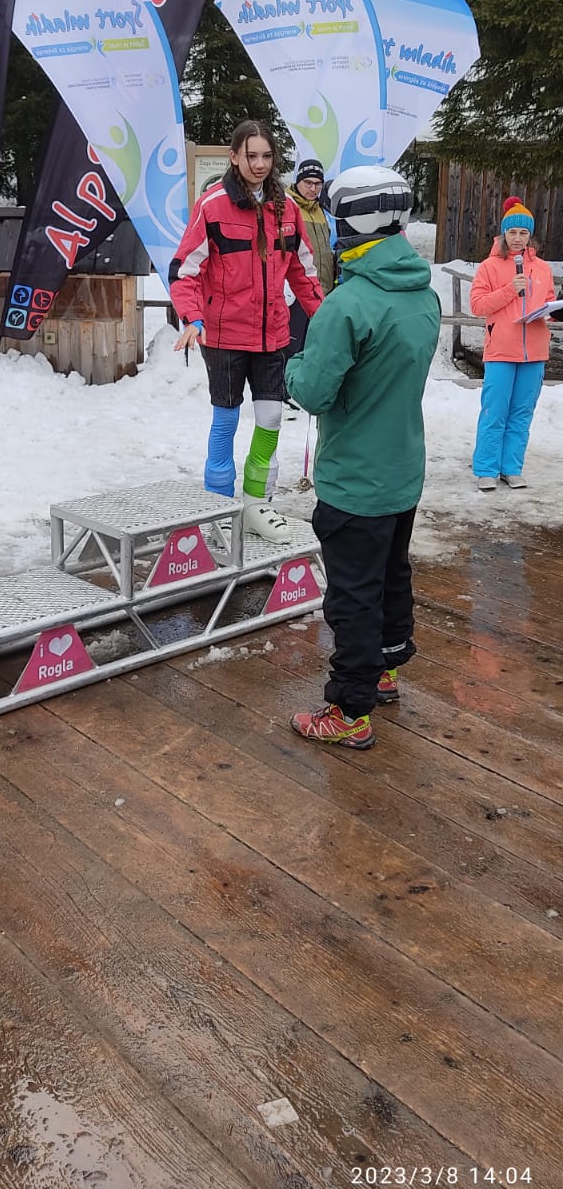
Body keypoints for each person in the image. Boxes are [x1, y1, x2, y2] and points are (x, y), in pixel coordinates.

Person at [285, 165, 441, 749]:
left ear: (349, 222)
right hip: (402, 472)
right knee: (391, 575)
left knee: (351, 593)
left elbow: (315, 391)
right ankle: (387, 667)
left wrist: (296, 363)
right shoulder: (420, 294)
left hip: (354, 480)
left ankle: (350, 708)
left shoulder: (348, 304)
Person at [169, 120, 323, 542]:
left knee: (271, 418)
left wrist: (324, 320)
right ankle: (218, 509)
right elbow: (184, 271)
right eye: (250, 155)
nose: (259, 164)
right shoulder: (212, 205)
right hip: (222, 335)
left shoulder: (286, 209)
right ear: (234, 156)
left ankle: (257, 504)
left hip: (272, 333)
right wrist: (192, 318)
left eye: (266, 156)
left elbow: (303, 272)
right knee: (226, 420)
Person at [470, 198, 556, 491]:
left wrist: (554, 311)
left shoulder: (542, 268)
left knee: (522, 412)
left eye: (523, 233)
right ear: (503, 235)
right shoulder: (489, 267)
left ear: (530, 235)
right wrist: (510, 290)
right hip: (501, 350)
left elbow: (546, 304)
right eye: (512, 233)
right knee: (495, 411)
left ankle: (511, 467)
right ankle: (486, 469)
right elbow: (478, 305)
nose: (518, 238)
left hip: (534, 351)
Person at [287, 159, 335, 356]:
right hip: (297, 292)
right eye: (308, 183)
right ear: (297, 181)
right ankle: (284, 386)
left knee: (313, 347)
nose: (313, 188)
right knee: (292, 349)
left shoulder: (321, 211)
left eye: (317, 184)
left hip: (322, 291)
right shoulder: (288, 206)